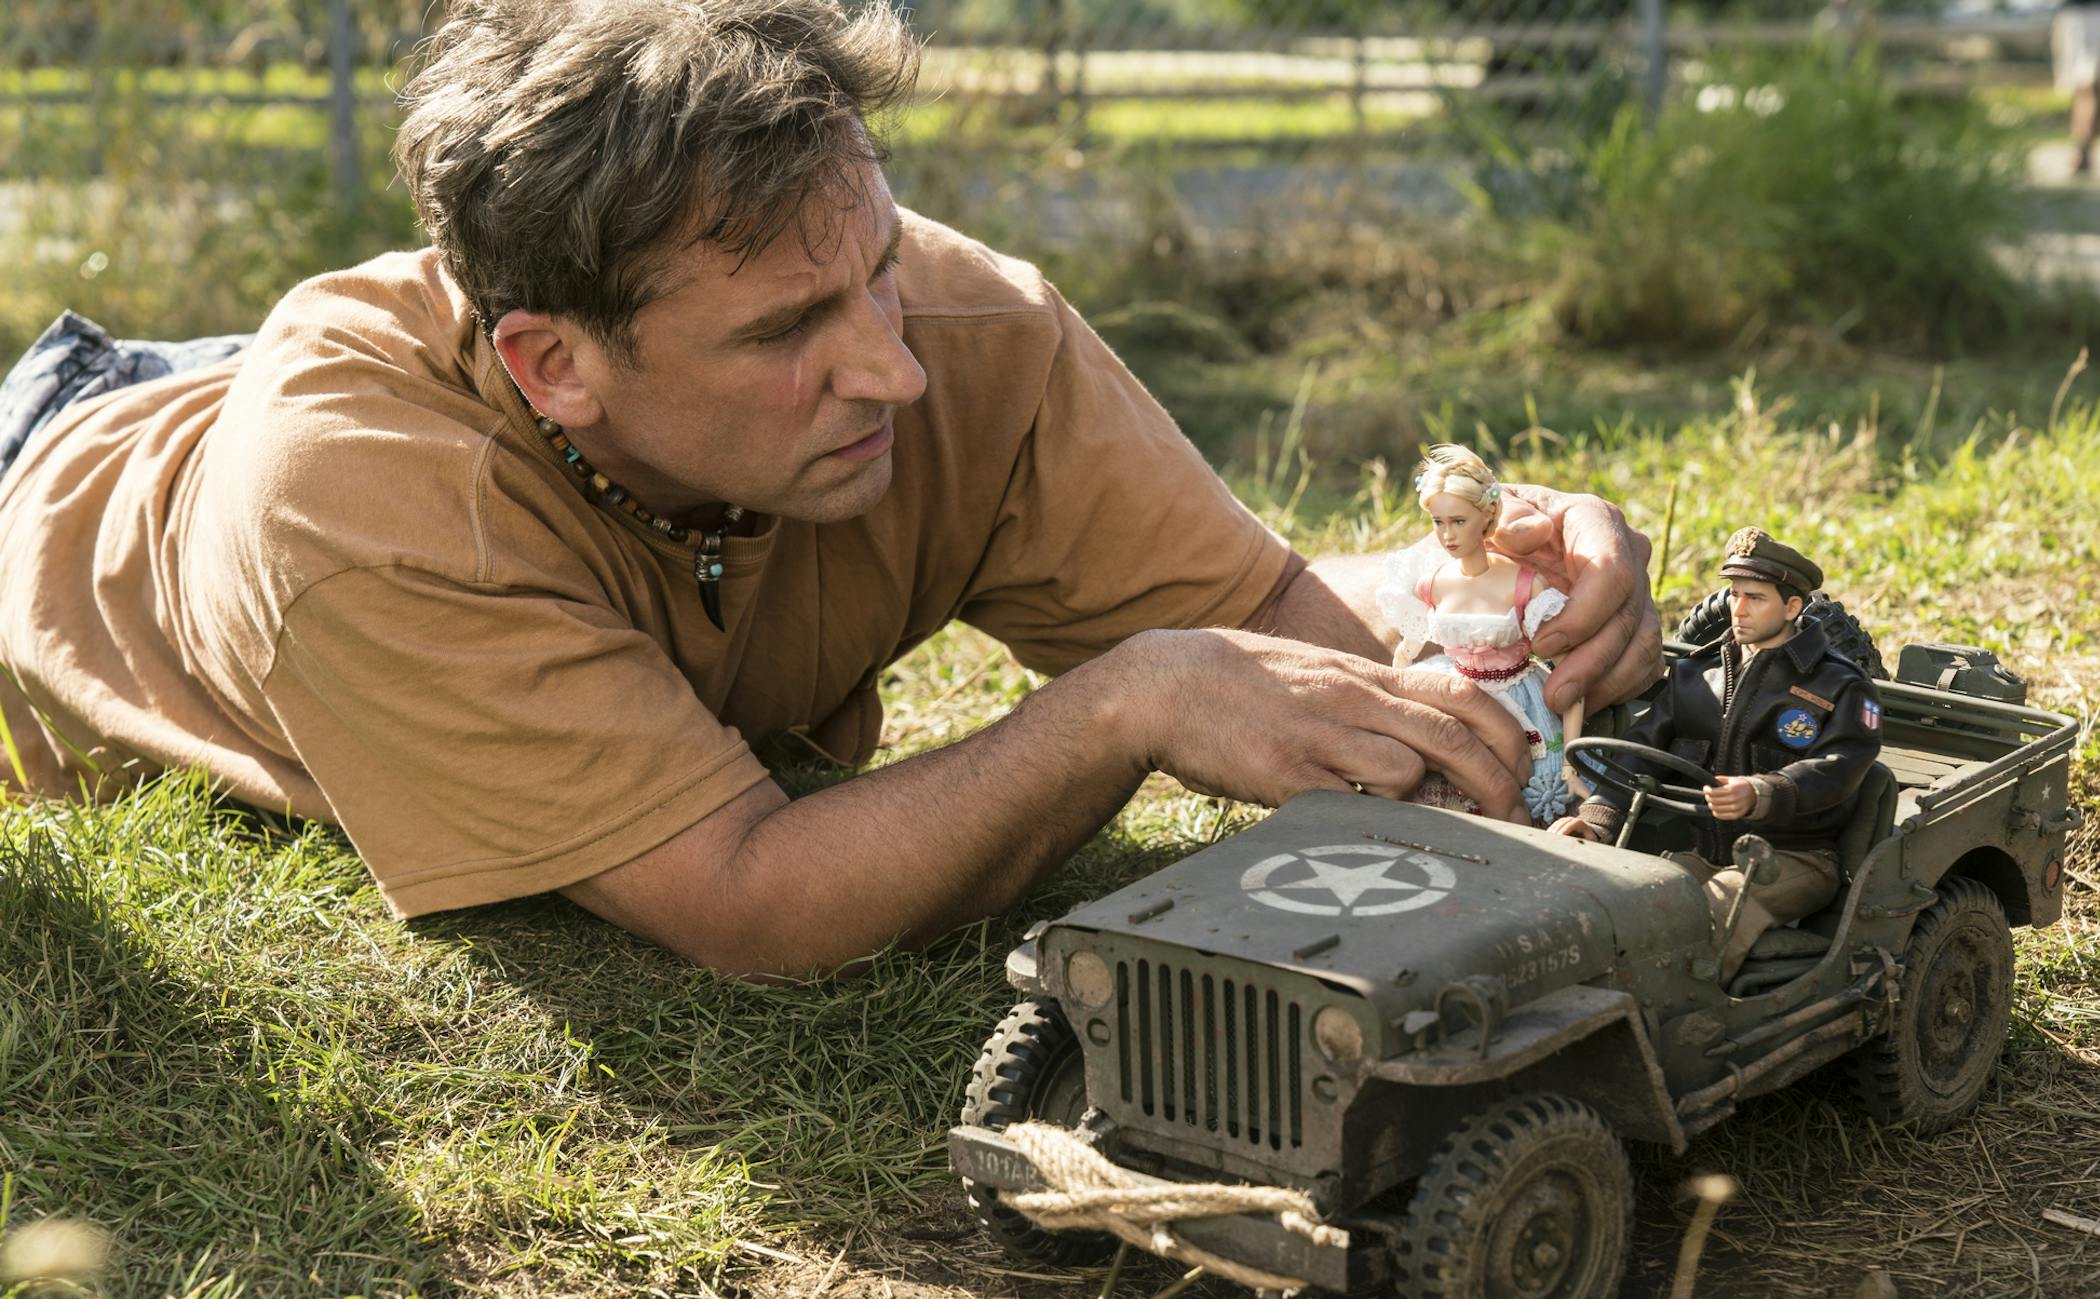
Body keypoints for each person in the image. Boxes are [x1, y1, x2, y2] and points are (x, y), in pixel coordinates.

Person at [0, 0, 1660, 978]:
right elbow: (746, 903)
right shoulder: (363, 507)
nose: (893, 368)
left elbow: (1258, 625)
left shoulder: (943, 318)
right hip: (81, 463)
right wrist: (1116, 709)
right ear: (554, 369)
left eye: (871, 268)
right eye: (794, 327)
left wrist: (1490, 589)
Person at [1552, 528, 1882, 985]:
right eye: (1733, 594)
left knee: (1712, 911)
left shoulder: (1838, 685)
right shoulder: (1694, 674)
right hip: (1703, 850)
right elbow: (1642, 747)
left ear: (1792, 608)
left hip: (1794, 858)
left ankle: (1692, 1025)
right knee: (1635, 899)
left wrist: (1764, 792)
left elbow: (1842, 765)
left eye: (1756, 598)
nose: (1738, 609)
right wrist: (1599, 814)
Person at [1375, 444, 1582, 824]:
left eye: (1458, 522)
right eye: (1438, 523)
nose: (1446, 536)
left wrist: (1571, 762)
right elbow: (1406, 651)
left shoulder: (1524, 584)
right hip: (1456, 688)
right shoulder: (1432, 583)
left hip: (1520, 697)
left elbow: (1571, 679)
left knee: (1527, 784)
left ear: (1485, 516)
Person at [2053, 0, 2100, 177]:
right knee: (2089, 88)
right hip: (2087, 16)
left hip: (2083, 16)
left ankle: (2083, 145)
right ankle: (2084, 146)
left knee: (2087, 88)